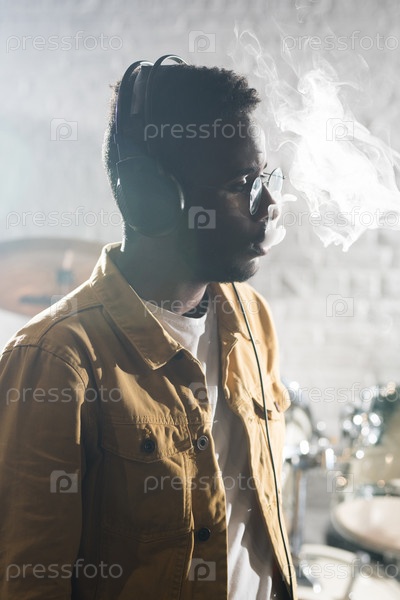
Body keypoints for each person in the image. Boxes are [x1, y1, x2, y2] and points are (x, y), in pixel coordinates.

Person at [0, 55, 297, 599]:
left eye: (264, 179)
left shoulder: (251, 317)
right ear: (152, 199)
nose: (269, 206)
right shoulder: (55, 360)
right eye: (242, 184)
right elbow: (31, 583)